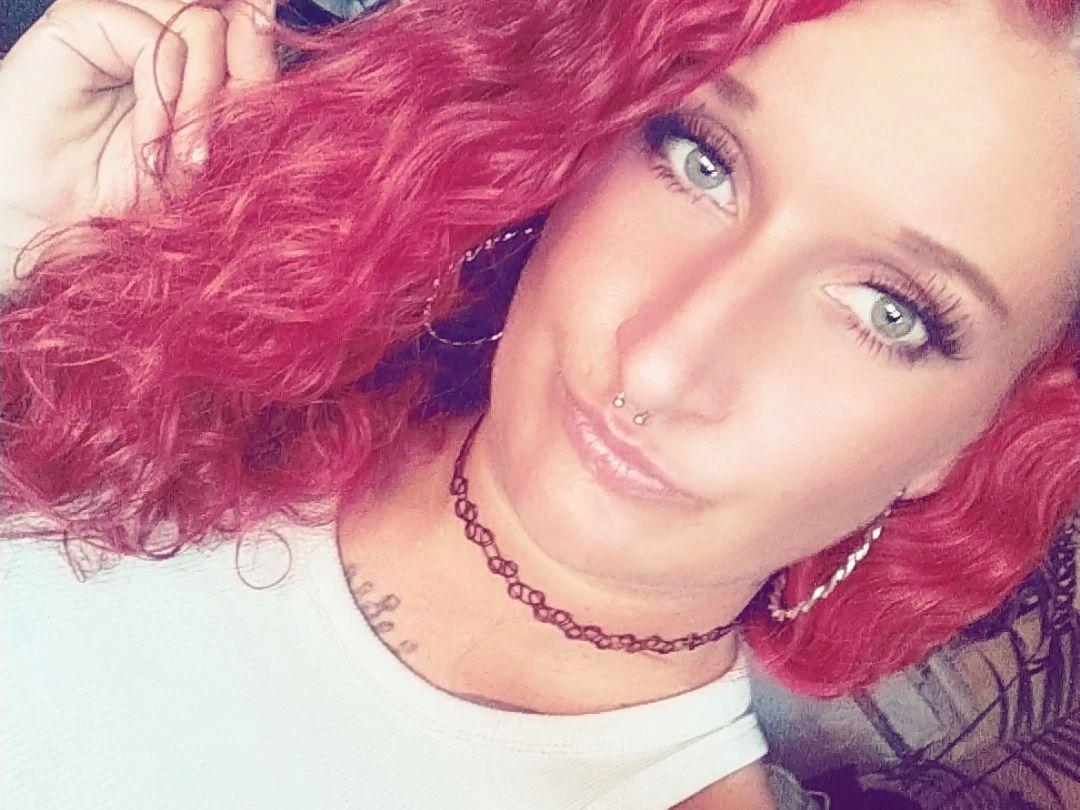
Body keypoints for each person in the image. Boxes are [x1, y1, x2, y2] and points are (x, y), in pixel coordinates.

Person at [0, 0, 1076, 806]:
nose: (663, 364)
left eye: (890, 313)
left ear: (987, 430)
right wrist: (28, 250)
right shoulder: (243, 334)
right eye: (702, 160)